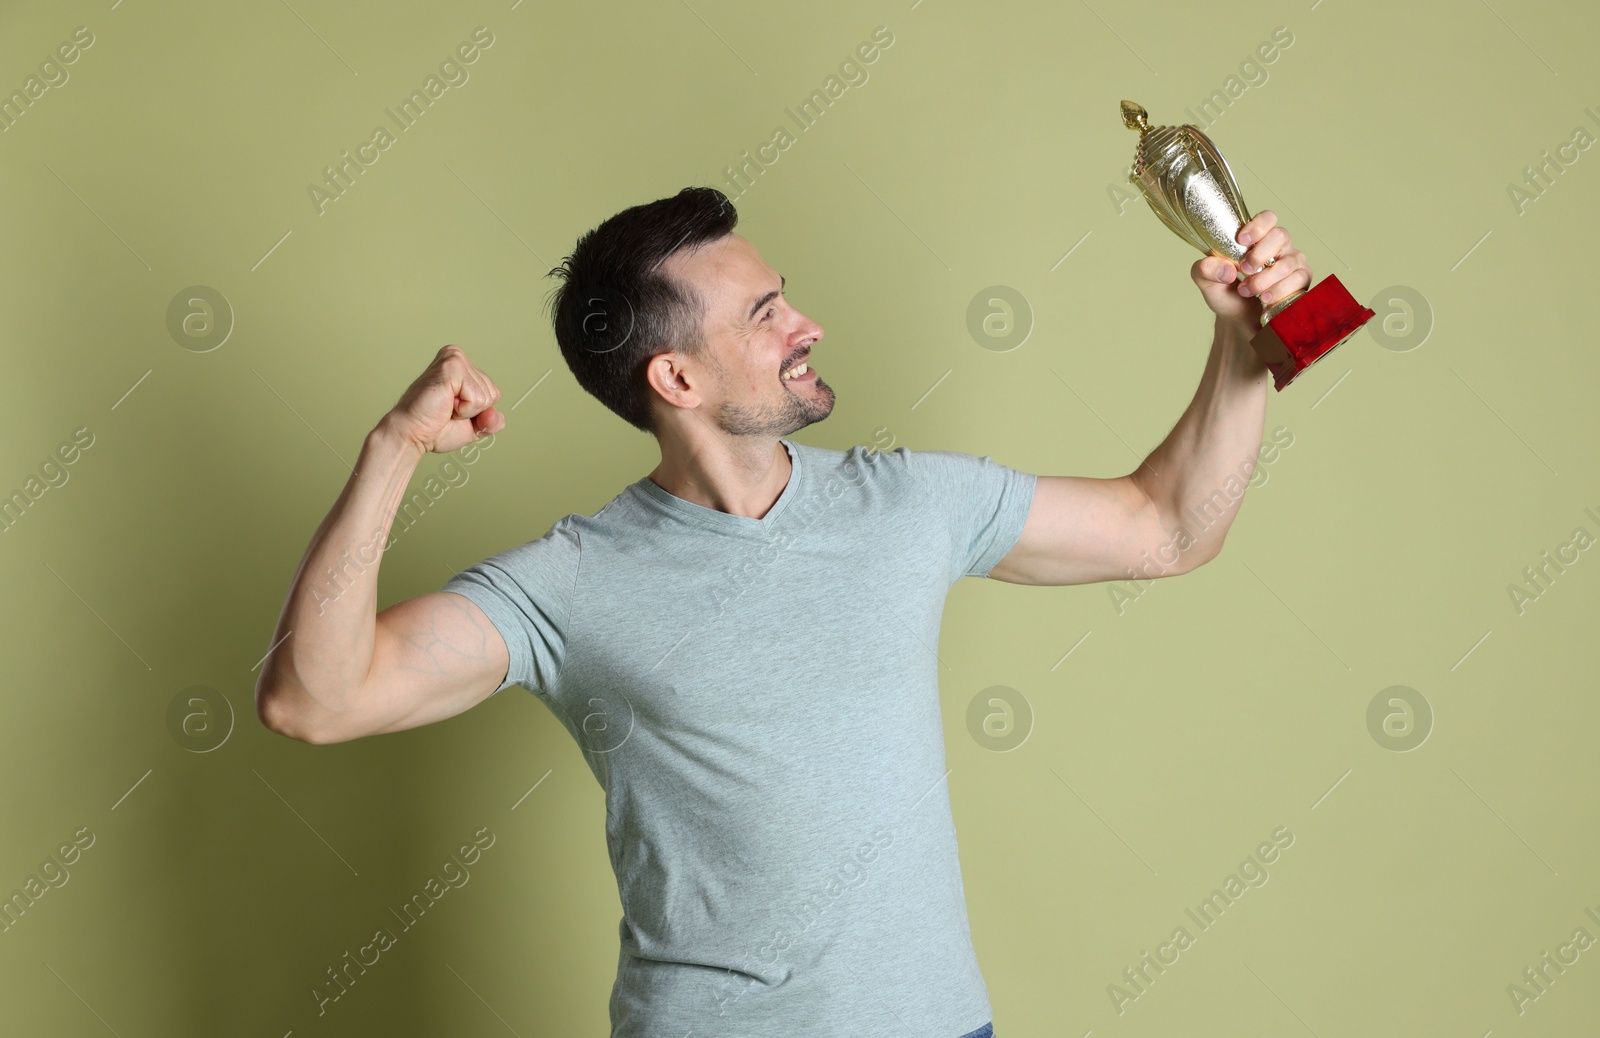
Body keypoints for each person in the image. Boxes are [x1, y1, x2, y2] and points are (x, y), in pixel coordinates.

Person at [255, 186, 1310, 1037]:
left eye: (785, 297)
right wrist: (393, 452)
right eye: (764, 316)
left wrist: (1244, 345)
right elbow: (315, 700)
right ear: (674, 375)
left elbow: (1170, 527)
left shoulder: (907, 503)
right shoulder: (570, 582)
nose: (807, 325)